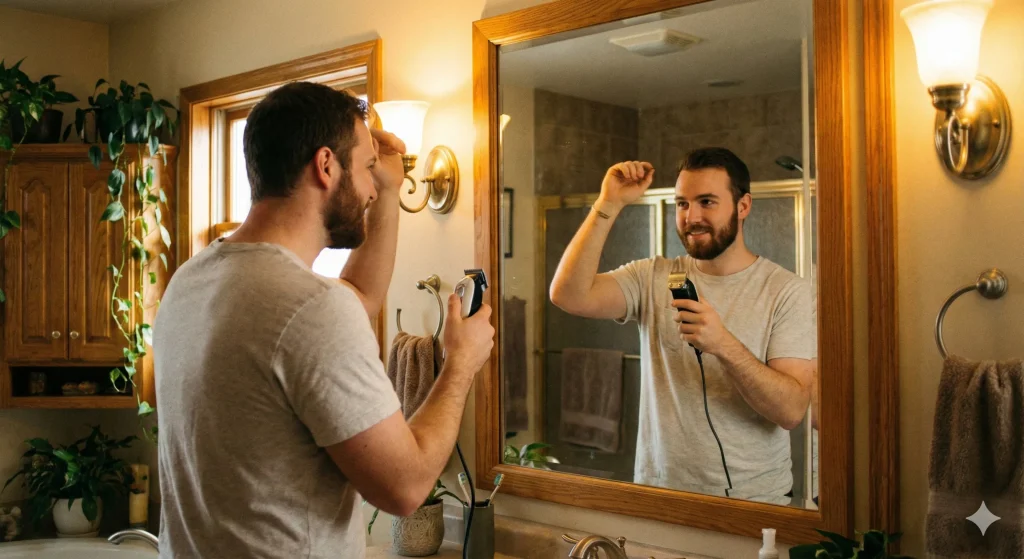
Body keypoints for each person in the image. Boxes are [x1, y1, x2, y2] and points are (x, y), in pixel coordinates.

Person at [153, 82, 494, 558]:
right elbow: (407, 488)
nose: (372, 189)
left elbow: (357, 298)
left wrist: (392, 191)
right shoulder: (311, 308)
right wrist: (460, 365)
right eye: (367, 169)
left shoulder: (191, 280)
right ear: (326, 164)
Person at [548, 147, 816, 504]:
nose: (692, 217)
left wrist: (722, 344)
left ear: (744, 206)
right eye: (682, 204)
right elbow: (568, 294)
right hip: (660, 494)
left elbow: (791, 410)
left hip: (754, 501)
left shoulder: (787, 292)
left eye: (707, 202)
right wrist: (608, 203)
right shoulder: (652, 276)